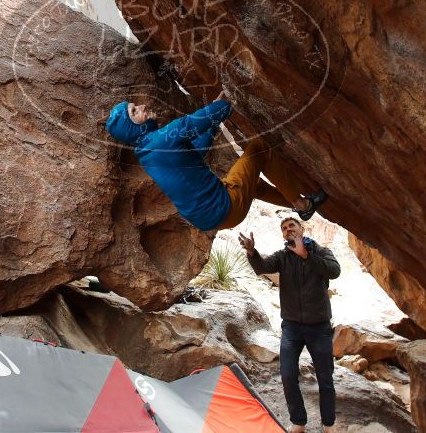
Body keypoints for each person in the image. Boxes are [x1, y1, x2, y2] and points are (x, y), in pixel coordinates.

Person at [104, 94, 327, 231]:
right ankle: (303, 205)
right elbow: (192, 122)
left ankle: (296, 205)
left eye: (136, 105)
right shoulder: (162, 139)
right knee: (260, 148)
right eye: (135, 111)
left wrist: (213, 123)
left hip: (213, 219)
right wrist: (223, 104)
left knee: (250, 184)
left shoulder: (147, 153)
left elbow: (196, 152)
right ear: (132, 127)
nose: (142, 107)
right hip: (225, 207)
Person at [238, 217, 341, 433]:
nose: (288, 230)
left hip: (319, 326)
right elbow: (262, 267)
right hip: (292, 327)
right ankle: (298, 421)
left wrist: (306, 255)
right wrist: (252, 252)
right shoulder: (282, 256)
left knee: (325, 377)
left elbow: (334, 271)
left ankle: (328, 423)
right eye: (284, 228)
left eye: (292, 225)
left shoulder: (321, 251)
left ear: (302, 229)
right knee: (286, 373)